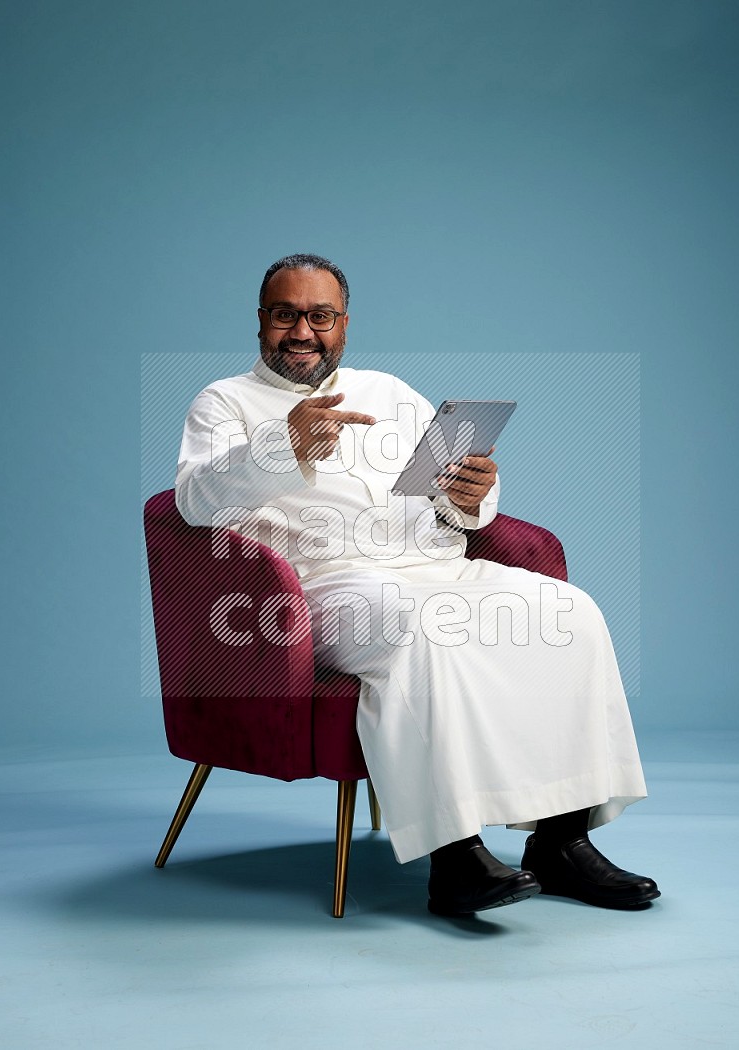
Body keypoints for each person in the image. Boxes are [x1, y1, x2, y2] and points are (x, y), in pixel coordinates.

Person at [175, 253, 659, 916]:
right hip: (324, 586)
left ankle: (561, 841)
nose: (303, 332)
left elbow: (449, 497)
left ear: (343, 324)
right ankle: (453, 857)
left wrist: (474, 496)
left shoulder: (391, 392)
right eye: (286, 315)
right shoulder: (224, 402)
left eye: (320, 316)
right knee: (423, 629)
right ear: (261, 321)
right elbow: (195, 503)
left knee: (569, 613)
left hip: (433, 565)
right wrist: (280, 447)